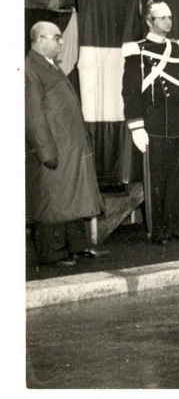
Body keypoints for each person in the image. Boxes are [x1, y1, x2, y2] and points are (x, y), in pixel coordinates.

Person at [25, 21, 107, 267]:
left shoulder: (48, 65)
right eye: (57, 37)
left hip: (68, 146)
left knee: (70, 197)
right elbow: (33, 115)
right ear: (40, 40)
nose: (61, 42)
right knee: (53, 200)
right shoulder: (31, 68)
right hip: (54, 148)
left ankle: (77, 247)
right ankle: (52, 253)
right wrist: (45, 150)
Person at [122, 0, 179, 244]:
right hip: (152, 123)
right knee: (155, 179)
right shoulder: (137, 50)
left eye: (169, 17)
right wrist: (136, 127)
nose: (168, 22)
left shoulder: (177, 49)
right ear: (149, 22)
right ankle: (157, 230)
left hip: (176, 122)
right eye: (162, 18)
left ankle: (175, 226)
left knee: (176, 178)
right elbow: (130, 92)